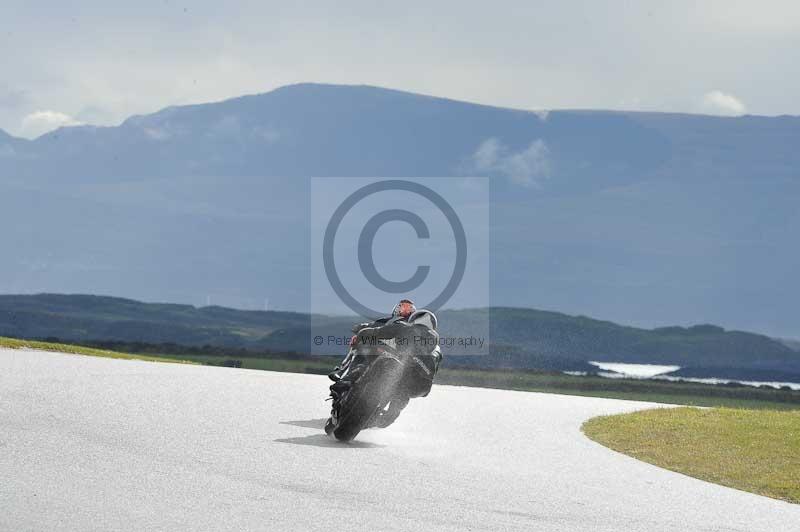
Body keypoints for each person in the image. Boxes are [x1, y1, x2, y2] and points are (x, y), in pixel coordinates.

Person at [327, 299, 441, 429]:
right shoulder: (437, 348)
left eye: (408, 309)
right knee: (403, 391)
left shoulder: (406, 327)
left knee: (369, 361)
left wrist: (363, 334)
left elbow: (377, 332)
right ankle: (390, 416)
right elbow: (434, 370)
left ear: (413, 318)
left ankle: (345, 381)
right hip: (421, 385)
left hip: (394, 364)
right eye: (402, 308)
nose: (404, 310)